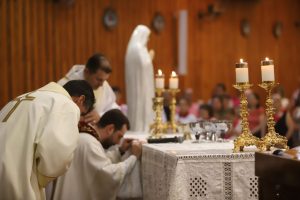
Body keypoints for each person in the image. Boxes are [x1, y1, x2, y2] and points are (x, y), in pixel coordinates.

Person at [0, 80, 95, 200]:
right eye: (81, 113)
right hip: (14, 177)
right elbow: (58, 154)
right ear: (80, 100)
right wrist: (41, 178)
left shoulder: (21, 98)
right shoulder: (65, 104)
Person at [52, 109, 142, 200]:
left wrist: (120, 151)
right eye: (119, 136)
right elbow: (109, 174)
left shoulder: (86, 138)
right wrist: (133, 157)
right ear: (110, 129)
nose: (118, 142)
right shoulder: (90, 143)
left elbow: (100, 162)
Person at [58, 53, 119, 124]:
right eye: (99, 79)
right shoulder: (64, 85)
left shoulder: (103, 85)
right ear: (87, 72)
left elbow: (112, 107)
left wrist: (100, 116)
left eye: (104, 80)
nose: (102, 85)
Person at [125, 25, 155, 132]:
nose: (148, 39)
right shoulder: (138, 48)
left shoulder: (133, 48)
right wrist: (150, 56)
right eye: (147, 36)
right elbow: (144, 63)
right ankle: (142, 128)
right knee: (142, 107)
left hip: (138, 84)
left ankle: (142, 128)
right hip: (141, 86)